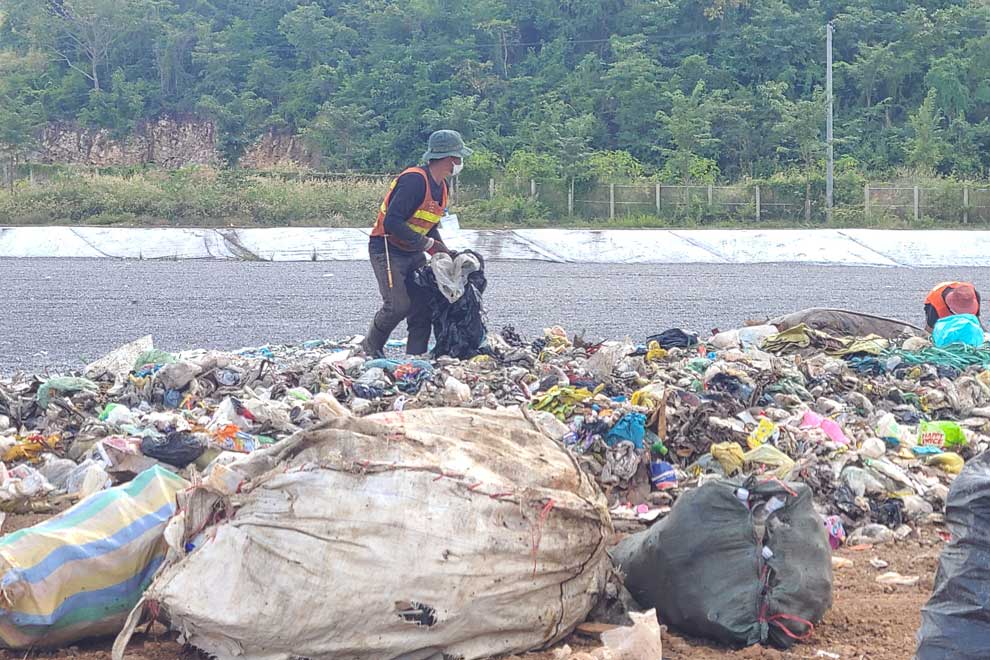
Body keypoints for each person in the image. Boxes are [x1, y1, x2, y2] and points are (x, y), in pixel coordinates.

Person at [360, 129, 472, 358]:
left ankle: (415, 358)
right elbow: (392, 221)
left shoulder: (441, 188)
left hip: (412, 250)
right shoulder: (414, 180)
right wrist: (426, 244)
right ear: (450, 159)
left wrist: (442, 250)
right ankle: (369, 349)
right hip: (387, 249)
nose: (460, 162)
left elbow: (428, 224)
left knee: (422, 306)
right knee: (397, 305)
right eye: (459, 157)